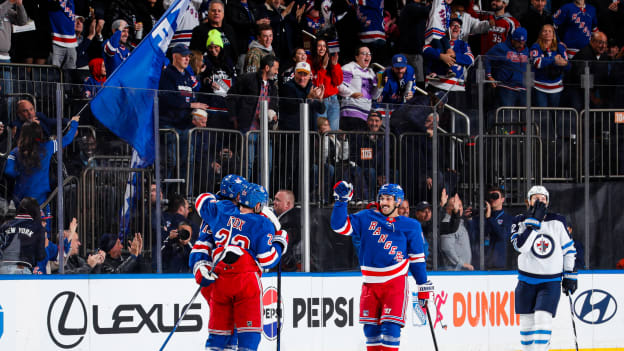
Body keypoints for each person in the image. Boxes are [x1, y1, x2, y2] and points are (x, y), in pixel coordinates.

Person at [331, 182, 433, 350]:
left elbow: (417, 259)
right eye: (382, 198)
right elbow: (339, 226)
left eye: (389, 199)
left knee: (391, 330)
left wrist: (423, 286)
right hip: (370, 284)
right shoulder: (366, 217)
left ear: (398, 201)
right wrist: (341, 201)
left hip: (395, 284)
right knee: (371, 331)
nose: (384, 202)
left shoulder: (411, 226)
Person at [193, 182, 287, 351]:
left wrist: (218, 197)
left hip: (220, 280)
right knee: (248, 336)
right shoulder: (261, 223)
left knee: (218, 336)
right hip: (245, 282)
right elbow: (267, 259)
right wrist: (280, 241)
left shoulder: (221, 210)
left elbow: (201, 201)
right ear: (258, 205)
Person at [511, 185, 577, 351]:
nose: (539, 201)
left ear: (547, 201)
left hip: (550, 281)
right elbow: (522, 247)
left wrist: (570, 274)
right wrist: (534, 223)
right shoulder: (519, 220)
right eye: (536, 198)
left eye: (543, 198)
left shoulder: (558, 220)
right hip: (525, 281)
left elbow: (568, 249)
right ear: (528, 201)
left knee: (543, 319)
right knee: (526, 326)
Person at [5, 116, 79, 205]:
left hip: (20, 197)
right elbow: (67, 139)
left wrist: (21, 173)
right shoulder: (48, 147)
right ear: (39, 133)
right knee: (42, 218)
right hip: (40, 198)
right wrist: (74, 123)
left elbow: (9, 171)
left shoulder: (14, 152)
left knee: (22, 219)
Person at [226, 55, 279, 178]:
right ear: (267, 67)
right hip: (248, 129)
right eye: (275, 69)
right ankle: (243, 193)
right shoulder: (247, 79)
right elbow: (230, 97)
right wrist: (234, 118)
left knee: (267, 165)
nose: (277, 72)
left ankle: (262, 193)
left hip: (266, 131)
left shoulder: (273, 87)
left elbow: (275, 105)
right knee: (247, 164)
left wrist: (274, 115)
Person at [338, 46, 381, 131]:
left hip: (366, 115)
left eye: (369, 54)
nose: (367, 56)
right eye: (364, 54)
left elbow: (374, 96)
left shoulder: (371, 72)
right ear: (357, 57)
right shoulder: (349, 67)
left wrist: (380, 85)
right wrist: (352, 94)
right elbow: (339, 86)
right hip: (351, 113)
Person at [485, 27, 530, 109]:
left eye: (523, 42)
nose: (521, 45)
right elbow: (486, 58)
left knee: (524, 117)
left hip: (523, 88)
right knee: (507, 116)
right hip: (506, 87)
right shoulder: (501, 47)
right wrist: (489, 76)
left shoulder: (526, 50)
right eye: (519, 42)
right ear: (513, 39)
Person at [0, 197, 45, 274]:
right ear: (36, 211)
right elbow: (40, 255)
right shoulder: (37, 227)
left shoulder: (5, 225)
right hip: (23, 268)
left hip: (3, 268)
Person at [529, 24, 569, 108]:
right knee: (542, 115)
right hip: (539, 87)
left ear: (553, 34)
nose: (547, 33)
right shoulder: (535, 46)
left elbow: (566, 64)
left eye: (550, 31)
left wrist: (546, 61)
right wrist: (554, 59)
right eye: (545, 31)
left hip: (556, 87)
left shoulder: (560, 47)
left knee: (555, 114)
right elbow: (537, 63)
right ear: (541, 34)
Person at [279, 61, 325, 131]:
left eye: (305, 74)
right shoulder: (287, 87)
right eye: (300, 74)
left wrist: (320, 100)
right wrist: (309, 98)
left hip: (310, 132)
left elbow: (322, 110)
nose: (302, 78)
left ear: (310, 76)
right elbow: (291, 108)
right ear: (294, 73)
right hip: (292, 133)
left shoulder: (313, 88)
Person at [309, 39, 343, 130]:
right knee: (321, 132)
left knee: (333, 133)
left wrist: (335, 66)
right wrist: (323, 68)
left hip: (333, 100)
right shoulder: (310, 64)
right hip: (319, 101)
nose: (322, 48)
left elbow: (338, 82)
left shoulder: (332, 62)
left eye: (324, 46)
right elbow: (317, 84)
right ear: (315, 48)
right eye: (319, 45)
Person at [398, 0, 429, 87]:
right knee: (417, 85)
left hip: (412, 52)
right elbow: (427, 11)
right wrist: (436, 3)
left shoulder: (415, 7)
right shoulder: (411, 7)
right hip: (411, 54)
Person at [440, 193, 474, 270]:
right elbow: (447, 247)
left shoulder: (461, 222)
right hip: (454, 270)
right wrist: (462, 264)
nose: (458, 208)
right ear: (447, 209)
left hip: (462, 269)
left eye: (460, 205)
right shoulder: (447, 222)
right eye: (454, 206)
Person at [483, 186, 514, 269]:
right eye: (491, 196)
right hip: (483, 261)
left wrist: (490, 219)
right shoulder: (482, 216)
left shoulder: (508, 218)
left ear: (502, 199)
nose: (493, 199)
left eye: (495, 196)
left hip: (499, 263)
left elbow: (503, 235)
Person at [273, 189, 301, 271]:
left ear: (287, 204)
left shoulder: (289, 222)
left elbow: (286, 252)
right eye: (274, 199)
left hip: (287, 270)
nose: (274, 202)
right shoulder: (290, 219)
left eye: (277, 200)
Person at [49, 0, 77, 69]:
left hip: (72, 42)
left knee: (70, 75)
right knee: (53, 74)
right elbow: (52, 6)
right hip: (56, 40)